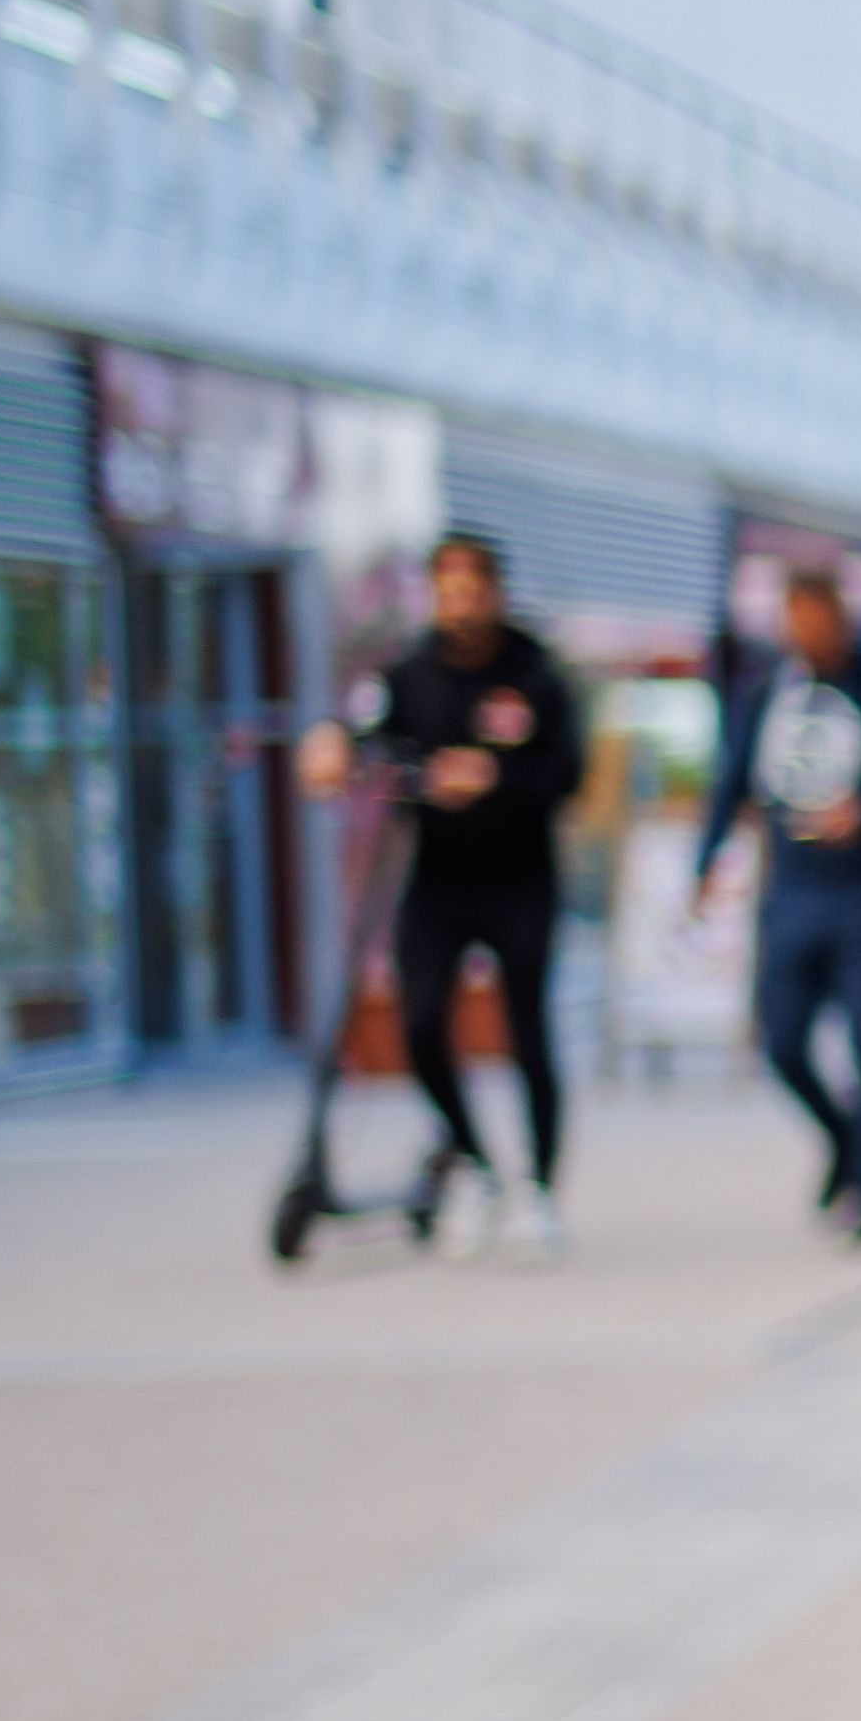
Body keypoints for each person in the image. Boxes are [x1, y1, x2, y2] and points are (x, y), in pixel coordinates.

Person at [304, 529, 580, 1258]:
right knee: (420, 1021)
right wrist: (332, 743)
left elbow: (569, 774)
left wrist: (496, 779)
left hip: (521, 877)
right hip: (436, 877)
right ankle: (475, 1163)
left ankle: (538, 1190)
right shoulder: (407, 674)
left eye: (471, 591)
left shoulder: (536, 674)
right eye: (446, 591)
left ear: (494, 593)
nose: (459, 606)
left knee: (527, 1035)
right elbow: (359, 727)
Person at [700, 562, 861, 1242]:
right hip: (793, 887)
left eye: (818, 618)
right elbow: (732, 777)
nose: (807, 632)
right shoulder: (766, 688)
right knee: (782, 1042)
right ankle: (844, 1141)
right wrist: (704, 862)